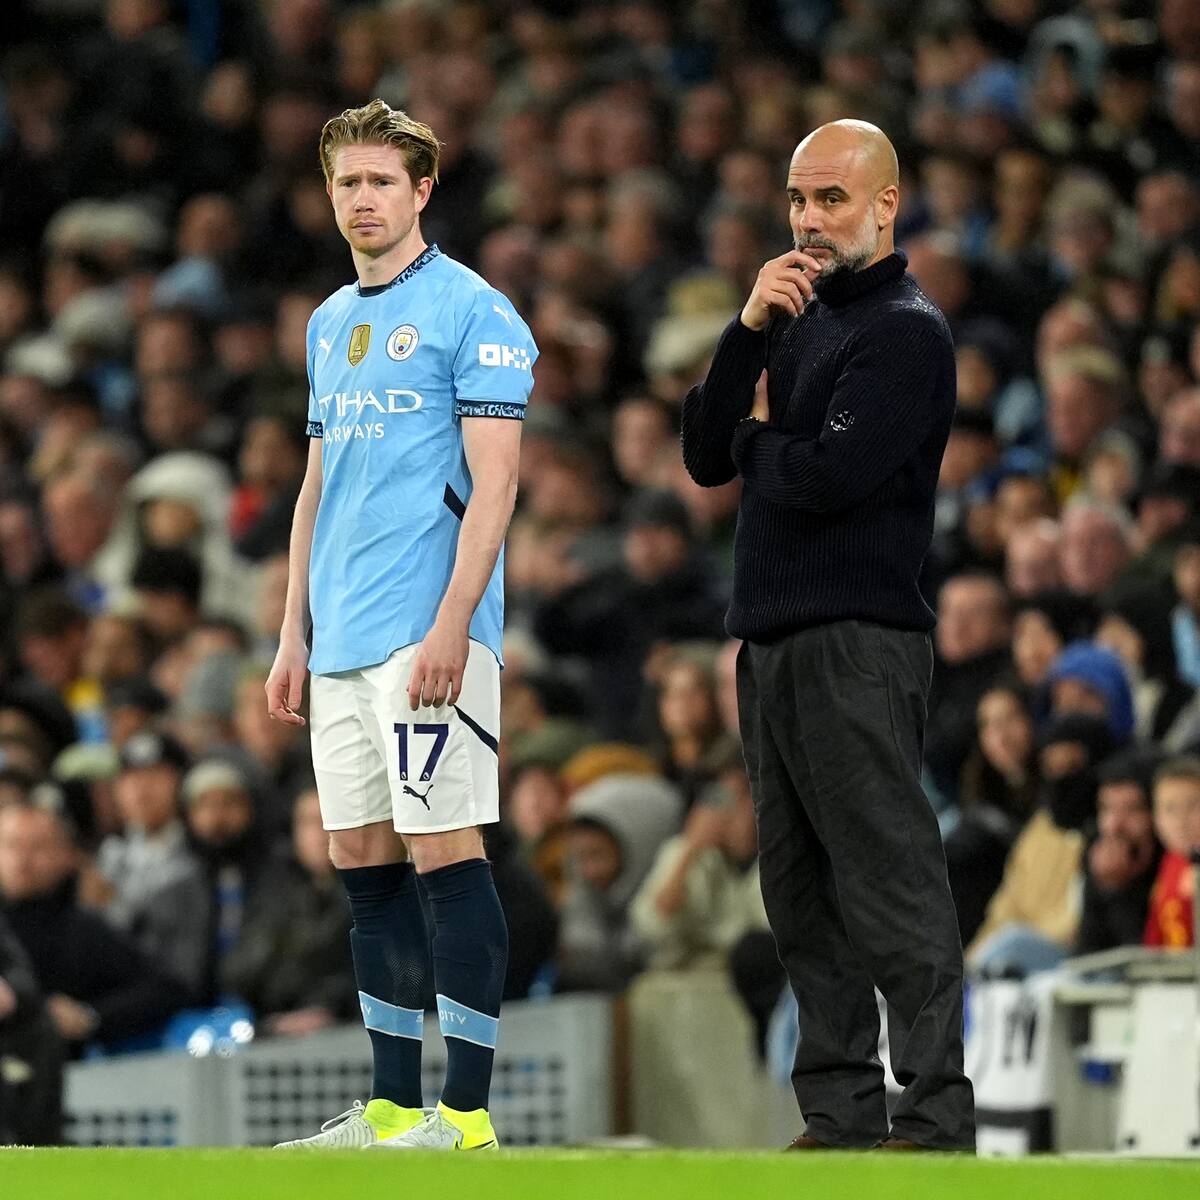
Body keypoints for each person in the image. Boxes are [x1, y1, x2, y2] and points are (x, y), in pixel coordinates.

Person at [680, 119, 975, 1151]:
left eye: (832, 199)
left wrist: (758, 442)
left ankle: (934, 1117)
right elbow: (703, 454)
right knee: (799, 895)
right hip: (770, 644)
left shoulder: (905, 330)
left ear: (886, 205)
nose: (808, 219)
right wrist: (747, 329)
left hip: (859, 640)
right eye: (798, 199)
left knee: (890, 880)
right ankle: (841, 1116)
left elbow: (828, 478)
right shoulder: (792, 316)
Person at [265, 100, 536, 1152]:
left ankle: (464, 1118)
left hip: (428, 635)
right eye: (347, 182)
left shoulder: (475, 310)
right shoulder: (328, 322)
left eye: (382, 181)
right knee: (362, 863)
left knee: (445, 853)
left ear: (422, 191)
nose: (362, 199)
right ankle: (387, 1112)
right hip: (339, 638)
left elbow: (498, 484)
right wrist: (292, 634)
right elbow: (314, 487)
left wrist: (454, 624)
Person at [1144, 756, 1200, 949]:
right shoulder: (1170, 861)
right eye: (1170, 809)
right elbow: (1153, 943)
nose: (1181, 820)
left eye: (1193, 805)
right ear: (1156, 817)